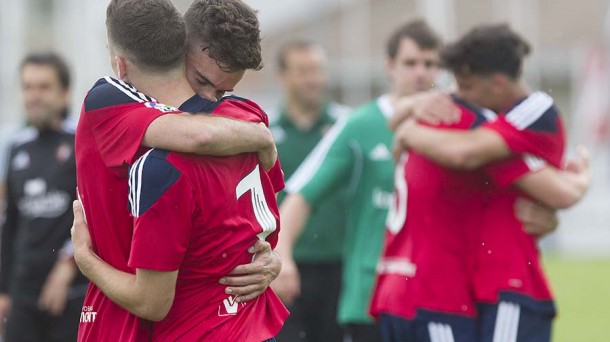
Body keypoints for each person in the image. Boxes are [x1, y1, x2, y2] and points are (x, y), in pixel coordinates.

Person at [72, 0, 282, 340]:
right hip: (232, 324)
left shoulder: (167, 159)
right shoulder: (246, 120)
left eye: (224, 90)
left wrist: (84, 258)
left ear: (121, 63)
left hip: (165, 322)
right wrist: (261, 136)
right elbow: (198, 135)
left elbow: (257, 224)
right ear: (179, 47)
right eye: (202, 80)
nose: (211, 100)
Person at [385, 24, 589, 341]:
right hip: (477, 287)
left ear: (496, 83)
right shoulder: (487, 122)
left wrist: (408, 132)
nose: (458, 94)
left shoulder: (531, 113)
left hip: (510, 285)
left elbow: (466, 154)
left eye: (465, 86)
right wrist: (412, 106)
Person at [274, 20, 448, 341]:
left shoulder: (456, 127)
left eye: (430, 64)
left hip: (439, 294)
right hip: (372, 295)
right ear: (390, 67)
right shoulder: (359, 126)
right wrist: (282, 254)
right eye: (410, 63)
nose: (420, 73)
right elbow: (300, 194)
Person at [0, 53, 88, 341]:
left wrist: (66, 266)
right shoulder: (15, 148)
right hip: (22, 295)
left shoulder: (83, 143)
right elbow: (10, 224)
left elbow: (97, 216)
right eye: (28, 87)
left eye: (43, 87)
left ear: (64, 93)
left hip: (70, 293)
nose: (34, 96)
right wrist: (4, 291)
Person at [270, 40, 348, 342]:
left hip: (340, 264)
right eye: (303, 71)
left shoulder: (347, 126)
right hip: (287, 265)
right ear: (283, 76)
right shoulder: (265, 131)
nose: (313, 79)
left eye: (318, 70)